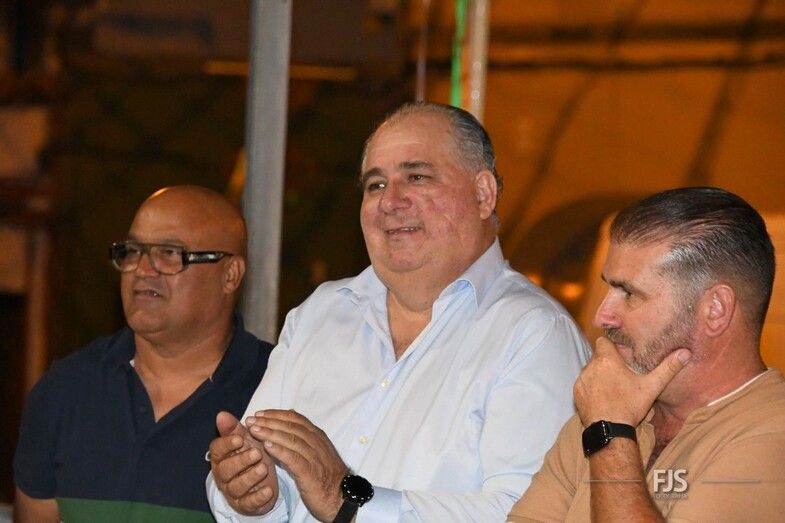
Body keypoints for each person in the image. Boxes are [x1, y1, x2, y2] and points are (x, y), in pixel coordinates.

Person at [206, 102, 591, 522]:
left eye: (416, 176)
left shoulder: (534, 334)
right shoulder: (321, 314)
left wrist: (348, 500)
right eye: (375, 185)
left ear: (483, 194)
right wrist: (253, 493)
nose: (390, 201)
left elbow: (529, 513)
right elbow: (257, 478)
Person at [508, 187, 785, 522]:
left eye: (628, 293)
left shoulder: (773, 436)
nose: (602, 316)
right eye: (609, 287)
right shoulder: (604, 410)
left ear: (715, 309)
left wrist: (610, 431)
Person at [13, 185, 274, 522]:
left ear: (230, 275)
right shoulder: (66, 390)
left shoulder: (278, 391)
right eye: (133, 251)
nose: (143, 269)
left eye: (170, 253)